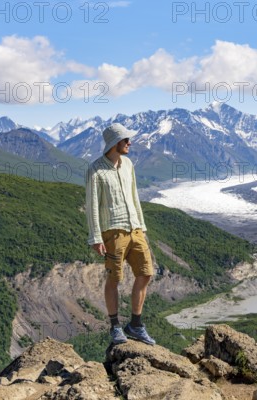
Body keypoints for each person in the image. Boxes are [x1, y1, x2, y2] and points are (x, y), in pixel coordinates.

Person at [85, 123, 156, 345]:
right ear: (115, 142)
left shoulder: (128, 165)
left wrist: (142, 227)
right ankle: (115, 326)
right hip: (113, 232)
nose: (129, 143)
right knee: (114, 278)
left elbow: (135, 197)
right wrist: (96, 237)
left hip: (134, 228)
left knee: (145, 273)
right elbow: (92, 205)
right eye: (126, 140)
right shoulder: (96, 169)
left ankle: (135, 325)